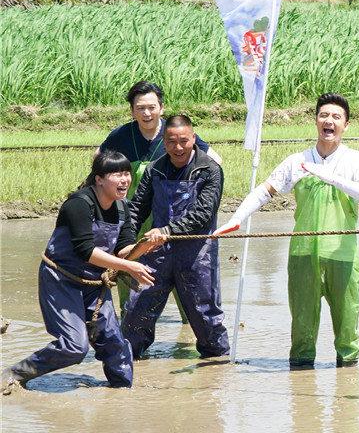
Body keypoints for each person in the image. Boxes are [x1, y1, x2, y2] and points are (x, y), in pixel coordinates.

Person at [215, 93, 359, 369]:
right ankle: (301, 388)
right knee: (302, 324)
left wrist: (330, 176)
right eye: (324, 115)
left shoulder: (356, 160)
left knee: (347, 323)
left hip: (342, 254)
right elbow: (265, 191)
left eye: (336, 117)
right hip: (302, 255)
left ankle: (347, 386)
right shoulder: (297, 161)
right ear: (316, 120)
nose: (329, 121)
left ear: (346, 125)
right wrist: (238, 217)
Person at [2, 152, 155, 391]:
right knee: (74, 346)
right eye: (117, 174)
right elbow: (86, 250)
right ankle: (13, 375)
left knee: (114, 342)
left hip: (95, 282)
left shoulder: (123, 208)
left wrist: (144, 246)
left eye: (126, 173)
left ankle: (123, 391)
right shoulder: (79, 204)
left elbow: (123, 250)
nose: (124, 179)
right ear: (99, 179)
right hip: (62, 279)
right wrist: (128, 266)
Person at [98, 81, 221, 320]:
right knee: (130, 278)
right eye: (140, 108)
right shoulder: (121, 136)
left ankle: (191, 326)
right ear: (132, 110)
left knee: (187, 282)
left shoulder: (176, 132)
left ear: (161, 108)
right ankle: (129, 324)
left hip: (172, 220)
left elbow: (214, 161)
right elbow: (98, 166)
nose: (146, 113)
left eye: (151, 107)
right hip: (133, 217)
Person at [122, 114, 230, 359]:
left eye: (184, 141)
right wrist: (127, 242)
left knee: (205, 316)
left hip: (196, 255)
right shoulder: (155, 169)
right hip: (156, 253)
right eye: (171, 142)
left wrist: (167, 232)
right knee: (137, 311)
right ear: (164, 140)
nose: (178, 147)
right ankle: (126, 361)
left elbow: (203, 213)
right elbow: (138, 208)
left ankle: (217, 366)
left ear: (193, 138)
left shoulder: (209, 170)